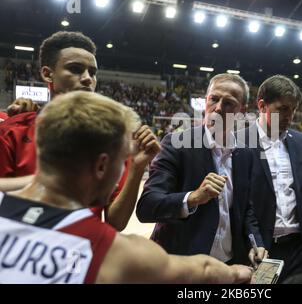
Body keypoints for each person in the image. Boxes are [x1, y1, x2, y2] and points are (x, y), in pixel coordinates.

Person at [0, 91, 252, 284]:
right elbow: (205, 270)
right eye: (123, 160)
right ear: (101, 166)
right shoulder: (114, 251)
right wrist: (236, 272)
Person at [0, 31, 154, 231]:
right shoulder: (12, 132)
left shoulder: (114, 141)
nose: (88, 79)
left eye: (93, 72)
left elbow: (115, 223)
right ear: (47, 74)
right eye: (75, 69)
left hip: (83, 255)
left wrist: (137, 168)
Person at [136, 73, 267, 266]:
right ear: (205, 100)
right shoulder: (176, 144)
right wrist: (193, 197)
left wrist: (255, 242)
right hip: (182, 266)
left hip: (228, 265)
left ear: (242, 110)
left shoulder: (246, 154)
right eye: (214, 99)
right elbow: (146, 207)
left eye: (229, 103)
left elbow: (245, 209)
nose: (219, 108)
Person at [239, 75, 302, 283]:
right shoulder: (238, 141)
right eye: (283, 109)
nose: (290, 116)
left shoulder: (301, 142)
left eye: (293, 110)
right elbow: (241, 203)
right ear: (262, 106)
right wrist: (255, 242)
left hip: (301, 251)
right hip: (261, 251)